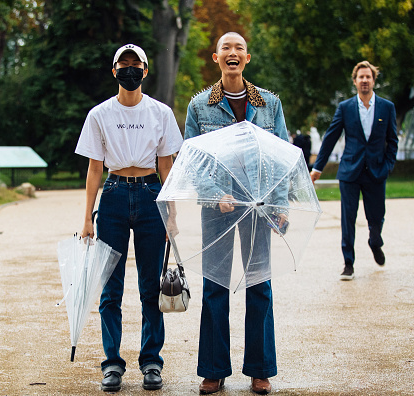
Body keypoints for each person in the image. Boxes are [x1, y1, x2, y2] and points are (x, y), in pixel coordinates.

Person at [184, 32, 289, 395]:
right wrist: (215, 195)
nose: (232, 53)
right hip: (218, 209)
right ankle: (213, 370)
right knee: (215, 286)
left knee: (259, 284)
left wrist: (280, 205)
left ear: (247, 58)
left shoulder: (270, 105)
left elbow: (282, 155)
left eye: (238, 49)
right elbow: (191, 161)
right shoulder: (199, 106)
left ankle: (260, 370)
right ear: (216, 58)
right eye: (225, 48)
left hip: (259, 205)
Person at [75, 44, 183, 392]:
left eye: (136, 65)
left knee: (152, 288)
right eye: (124, 64)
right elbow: (94, 168)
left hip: (152, 193)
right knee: (111, 287)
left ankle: (151, 361)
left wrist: (171, 213)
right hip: (115, 196)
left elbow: (167, 166)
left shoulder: (161, 113)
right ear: (115, 71)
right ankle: (112, 364)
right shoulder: (99, 115)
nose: (130, 70)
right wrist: (87, 217)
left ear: (145, 71)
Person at [310, 61, 398, 281]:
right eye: (361, 77)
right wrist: (318, 167)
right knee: (348, 219)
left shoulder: (387, 107)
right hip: (350, 171)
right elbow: (331, 137)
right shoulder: (345, 107)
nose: (365, 81)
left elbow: (392, 141)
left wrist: (388, 166)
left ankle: (375, 242)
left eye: (368, 77)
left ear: (373, 80)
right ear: (355, 81)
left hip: (377, 172)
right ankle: (348, 262)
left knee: (376, 218)